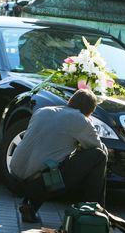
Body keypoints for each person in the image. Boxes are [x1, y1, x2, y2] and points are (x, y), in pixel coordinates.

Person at [10, 89, 108, 223]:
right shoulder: (80, 120)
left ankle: (30, 206)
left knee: (50, 164)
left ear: (70, 101)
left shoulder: (43, 111)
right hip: (39, 183)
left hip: (14, 176)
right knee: (99, 156)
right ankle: (94, 212)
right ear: (90, 111)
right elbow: (98, 148)